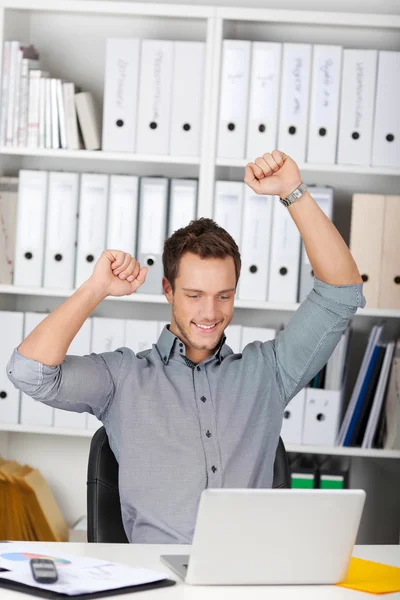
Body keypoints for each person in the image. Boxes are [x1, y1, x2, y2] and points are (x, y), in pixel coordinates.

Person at [6, 150, 365, 544]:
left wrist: (293, 192)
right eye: (194, 295)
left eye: (223, 296)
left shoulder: (269, 372)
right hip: (157, 583)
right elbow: (29, 371)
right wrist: (97, 289)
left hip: (246, 580)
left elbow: (341, 294)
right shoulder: (123, 378)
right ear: (168, 291)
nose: (210, 312)